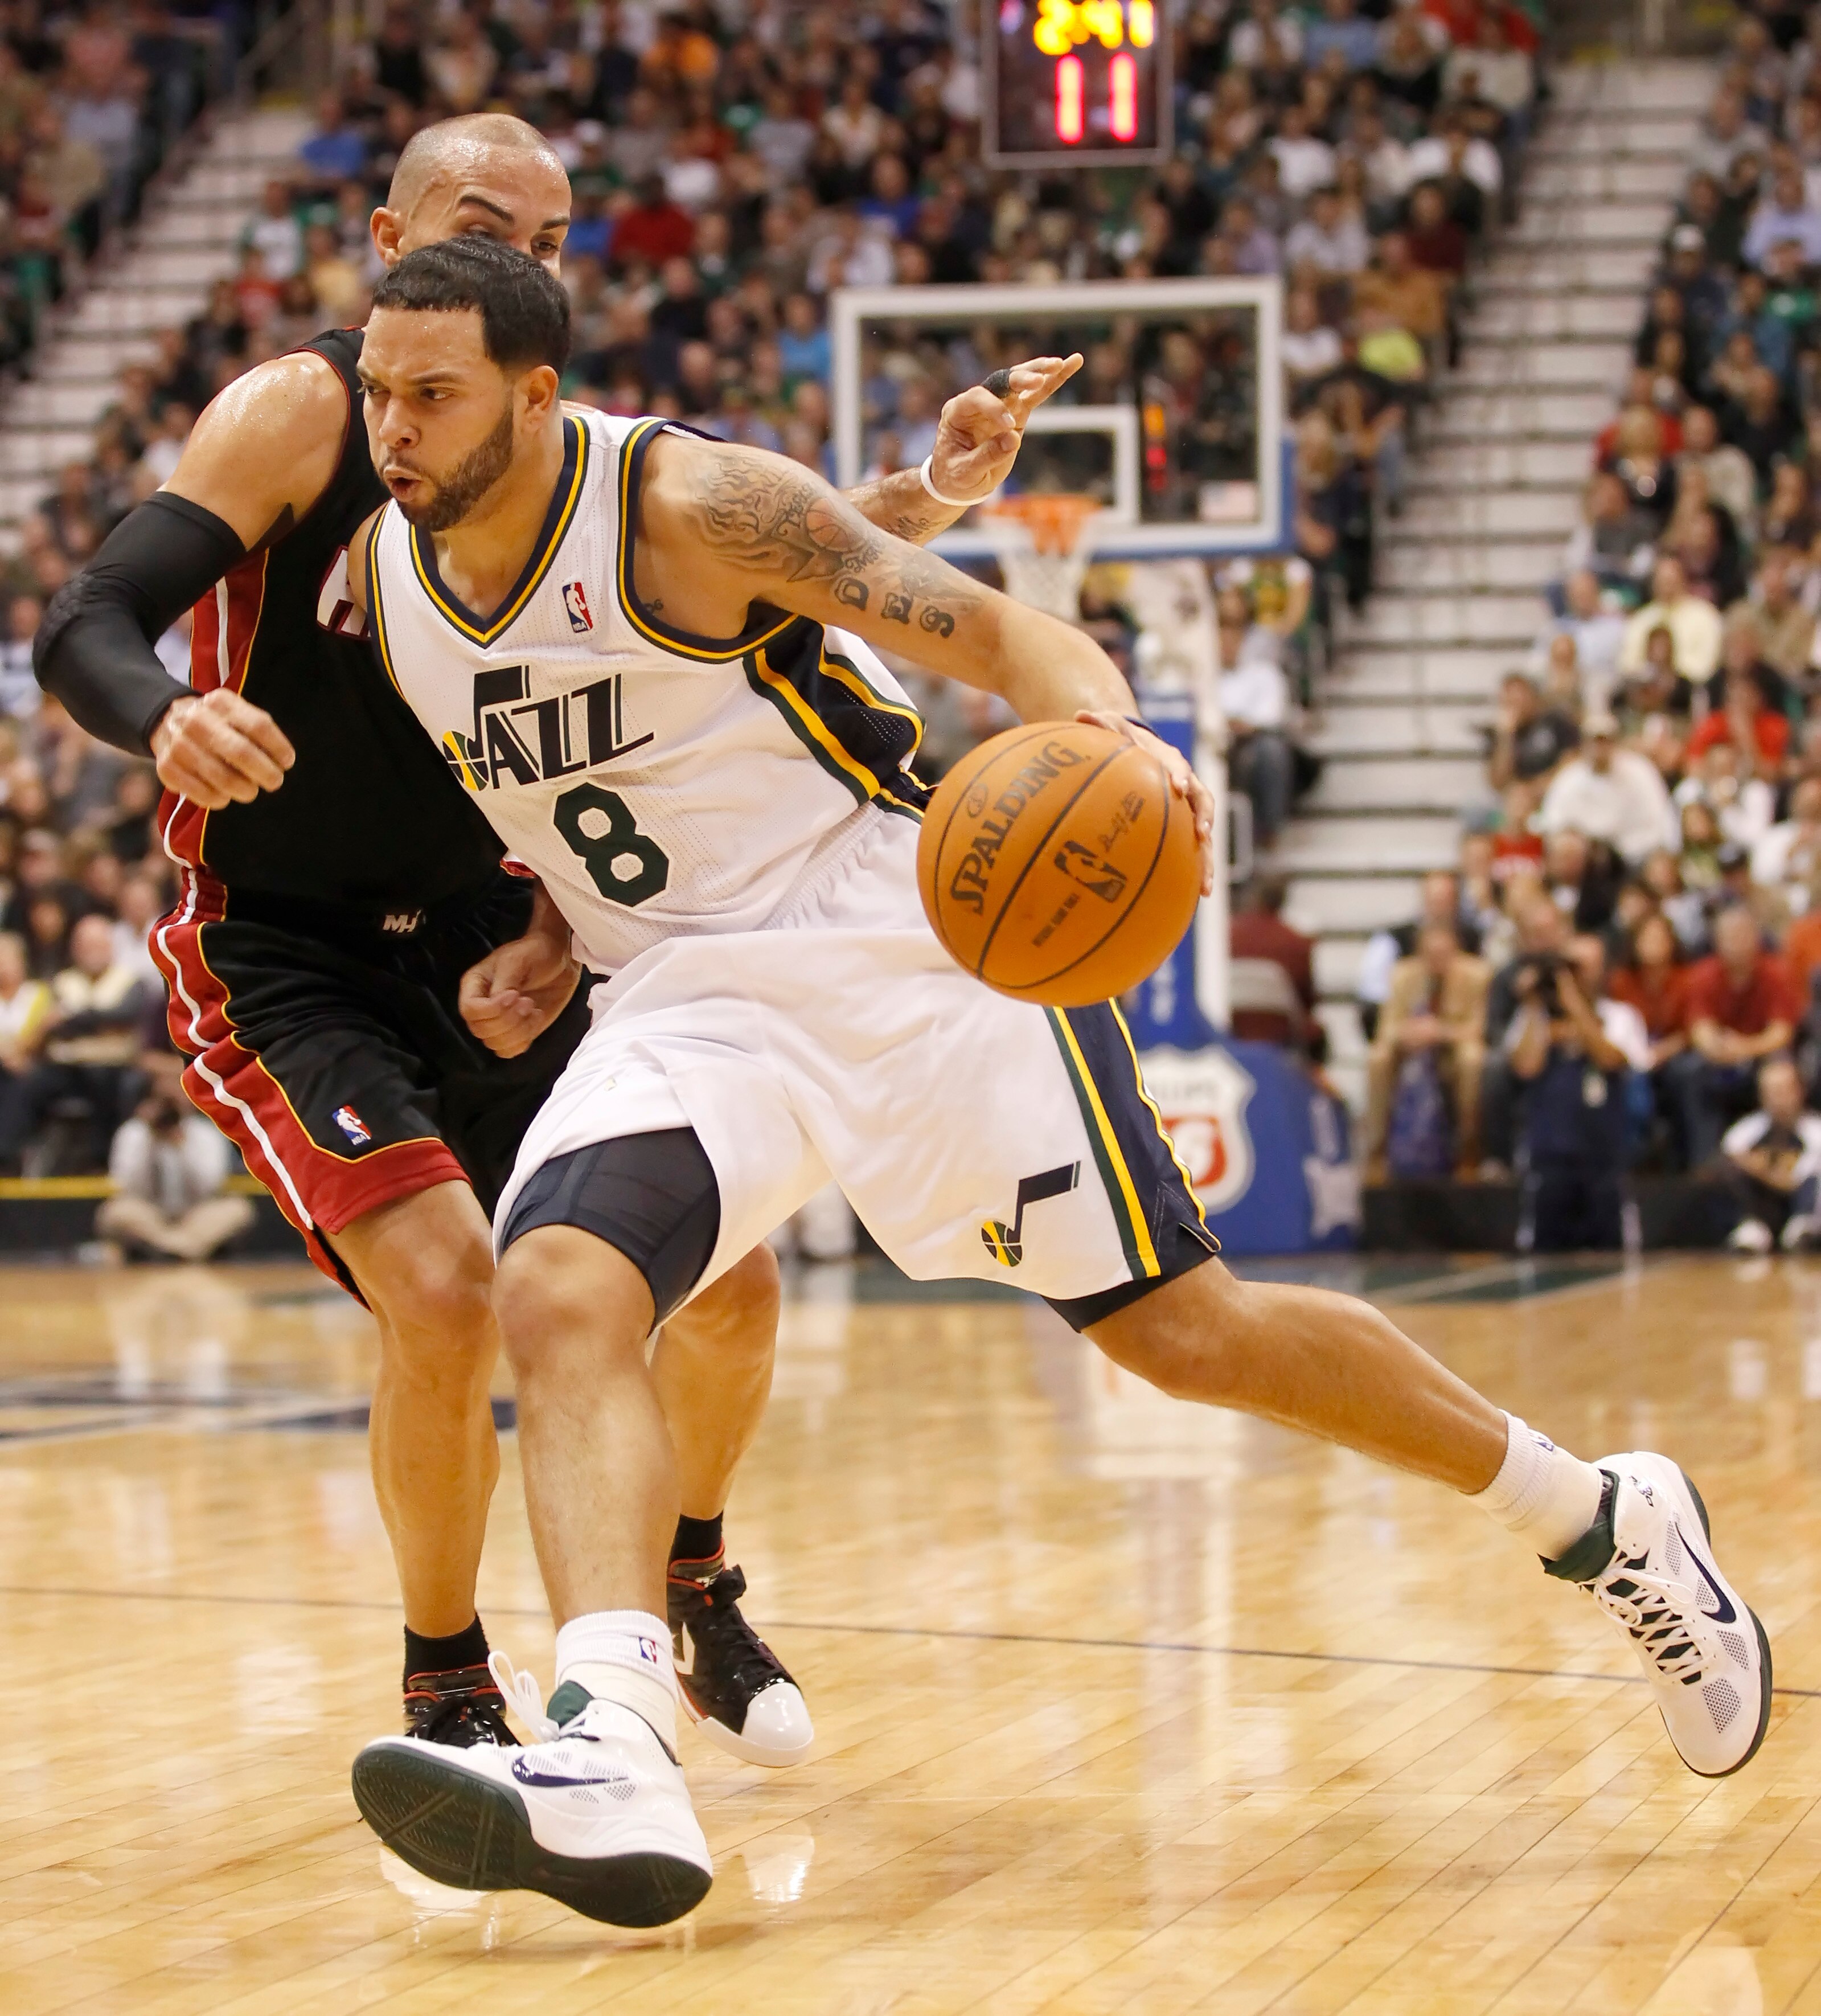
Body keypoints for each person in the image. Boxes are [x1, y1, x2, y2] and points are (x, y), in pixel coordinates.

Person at [341, 241, 1771, 1927]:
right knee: (557, 1285)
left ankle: (1600, 1516)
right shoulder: (391, 580)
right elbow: (609, 787)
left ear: (531, 396)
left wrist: (1110, 743)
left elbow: (1006, 633)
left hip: (902, 933)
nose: (392, 427)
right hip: (683, 996)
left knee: (1187, 1334)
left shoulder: (689, 502)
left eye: (430, 394)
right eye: (376, 392)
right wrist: (549, 935)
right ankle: (614, 1741)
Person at [35, 113, 1083, 1766]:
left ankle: (693, 1577)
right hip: (287, 942)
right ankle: (445, 1673)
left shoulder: (547, 434)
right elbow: (83, 619)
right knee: (447, 1292)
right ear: (389, 240)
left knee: (723, 1282)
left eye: (548, 237)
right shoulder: (304, 412)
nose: (524, 258)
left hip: (499, 917)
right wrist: (165, 717)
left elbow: (755, 562)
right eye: (483, 223)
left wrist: (925, 494)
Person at [1666, 905, 1799, 1167]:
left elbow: (1781, 1034)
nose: (1736, 943)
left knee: (1781, 1072)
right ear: (1717, 941)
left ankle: (1785, 1156)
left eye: (1742, 934)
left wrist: (1744, 1048)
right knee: (1688, 1073)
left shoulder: (1777, 972)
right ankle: (1705, 1163)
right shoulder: (1703, 975)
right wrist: (1720, 1049)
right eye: (1730, 936)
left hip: (1761, 1056)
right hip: (1720, 1059)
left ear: (1756, 937)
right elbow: (1700, 1031)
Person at [96, 1043, 257, 1261]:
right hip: (150, 1215)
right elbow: (127, 1185)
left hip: (196, 1215)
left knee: (238, 1209)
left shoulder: (205, 1133)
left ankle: (168, 1249)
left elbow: (210, 1185)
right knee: (116, 1211)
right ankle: (184, 1249)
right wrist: (151, 1141)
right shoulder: (134, 1132)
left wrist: (181, 1146)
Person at [1365, 920, 1490, 1178]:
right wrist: (1409, 1033)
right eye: (1431, 955)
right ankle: (1378, 1150)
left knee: (1473, 1059)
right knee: (1378, 1058)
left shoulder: (1478, 976)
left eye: (1443, 955)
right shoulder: (1402, 976)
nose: (1437, 962)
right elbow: (1386, 1029)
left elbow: (1482, 1028)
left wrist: (1441, 1032)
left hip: (1452, 1051)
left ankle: (1469, 1149)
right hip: (1412, 1054)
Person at [1535, 710, 1677, 866]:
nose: (1599, 748)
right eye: (1594, 742)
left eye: (1605, 741)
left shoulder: (1640, 772)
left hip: (1635, 857)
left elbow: (1660, 818)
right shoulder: (1569, 779)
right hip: (1586, 861)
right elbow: (1553, 824)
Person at [1721, 1056, 1821, 1252]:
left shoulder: (1816, 1132)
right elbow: (1731, 1157)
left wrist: (1759, 1168)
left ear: (1801, 1091)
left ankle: (1802, 1229)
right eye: (1771, 1092)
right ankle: (1752, 1229)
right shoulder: (1744, 1131)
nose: (1778, 1100)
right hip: (1763, 1208)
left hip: (1805, 1209)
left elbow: (1795, 1180)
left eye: (1784, 1091)